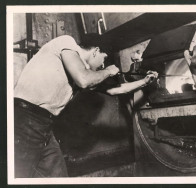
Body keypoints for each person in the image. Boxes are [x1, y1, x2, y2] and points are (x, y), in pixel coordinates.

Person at [13, 34, 158, 178]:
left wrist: (145, 81)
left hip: (44, 126)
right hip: (24, 120)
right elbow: (84, 80)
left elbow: (116, 90)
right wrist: (108, 71)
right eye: (103, 59)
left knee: (58, 176)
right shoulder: (67, 42)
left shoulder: (82, 72)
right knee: (18, 175)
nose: (102, 65)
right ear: (95, 51)